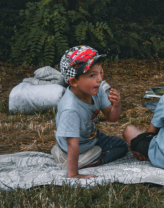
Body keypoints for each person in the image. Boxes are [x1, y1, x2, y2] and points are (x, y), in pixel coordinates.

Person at [52, 46, 128, 179]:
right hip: (76, 145)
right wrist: (74, 174)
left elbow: (112, 117)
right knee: (115, 150)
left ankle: (78, 156)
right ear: (74, 81)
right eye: (92, 75)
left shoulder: (96, 90)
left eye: (101, 72)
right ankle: (79, 161)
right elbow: (72, 144)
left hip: (90, 137)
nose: (99, 79)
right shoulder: (70, 108)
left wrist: (116, 105)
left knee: (121, 145)